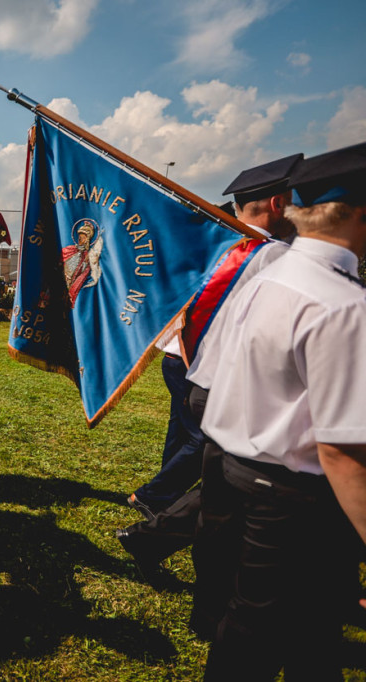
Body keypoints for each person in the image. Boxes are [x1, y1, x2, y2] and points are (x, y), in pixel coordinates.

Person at [187, 142, 366, 679]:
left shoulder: (264, 271)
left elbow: (210, 374)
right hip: (289, 497)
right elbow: (342, 452)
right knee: (259, 635)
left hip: (228, 472)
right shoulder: (342, 305)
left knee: (271, 629)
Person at [125, 154, 303, 521]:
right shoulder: (271, 255)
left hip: (179, 356)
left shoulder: (221, 243)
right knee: (208, 438)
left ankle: (161, 497)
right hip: (205, 361)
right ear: (278, 203)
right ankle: (155, 497)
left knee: (183, 434)